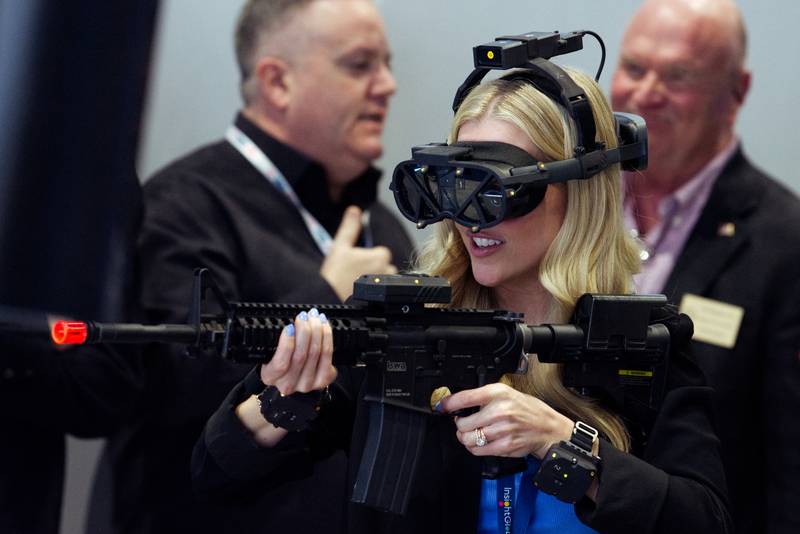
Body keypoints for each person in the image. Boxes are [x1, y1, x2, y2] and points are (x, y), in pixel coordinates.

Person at [192, 61, 732, 533]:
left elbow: (703, 518)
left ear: (578, 192)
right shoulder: (405, 335)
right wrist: (279, 399)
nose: (469, 219)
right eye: (456, 187)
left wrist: (563, 441)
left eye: (497, 191)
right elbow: (215, 474)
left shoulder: (637, 344)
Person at [88, 1, 413, 533]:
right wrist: (323, 297)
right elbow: (167, 380)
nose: (387, 85)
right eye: (360, 65)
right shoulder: (181, 205)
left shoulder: (384, 223)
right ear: (277, 82)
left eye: (386, 64)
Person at [611, 1, 800, 532]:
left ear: (736, 93)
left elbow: (790, 463)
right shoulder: (566, 208)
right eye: (633, 68)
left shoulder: (784, 244)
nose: (646, 93)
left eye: (679, 76)